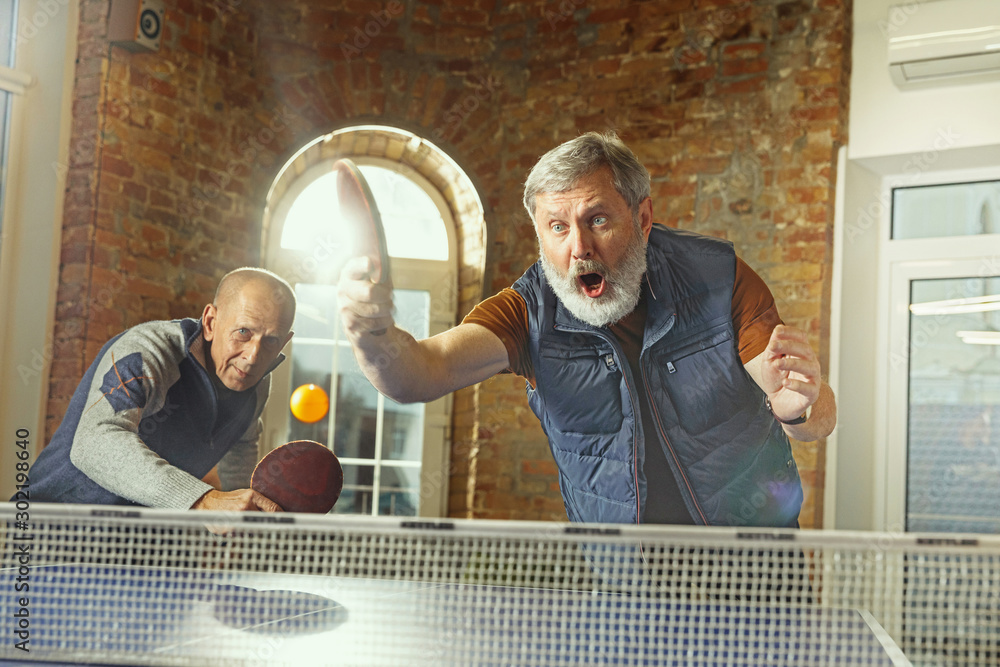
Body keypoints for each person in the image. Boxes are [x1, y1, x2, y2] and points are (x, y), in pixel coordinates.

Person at [338, 132, 837, 527]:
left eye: (596, 219)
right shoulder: (527, 312)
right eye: (557, 227)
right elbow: (420, 373)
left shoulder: (717, 277)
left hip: (756, 569)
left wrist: (798, 411)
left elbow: (815, 414)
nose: (578, 247)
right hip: (629, 589)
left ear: (642, 218)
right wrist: (373, 334)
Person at [26, 267, 295, 512]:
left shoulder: (255, 384)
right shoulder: (147, 351)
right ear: (211, 322)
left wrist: (240, 528)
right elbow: (94, 444)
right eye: (244, 332)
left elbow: (241, 448)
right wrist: (204, 500)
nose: (253, 356)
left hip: (140, 546)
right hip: (50, 529)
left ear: (284, 343)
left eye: (271, 340)